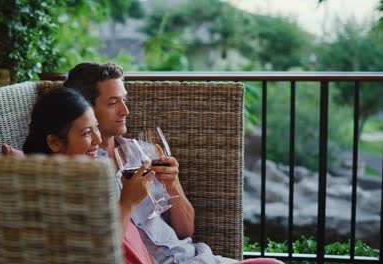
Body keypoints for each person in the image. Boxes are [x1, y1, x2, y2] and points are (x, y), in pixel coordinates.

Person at [64, 62, 284, 264]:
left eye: (124, 100)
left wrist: (173, 184)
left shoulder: (145, 153)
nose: (125, 111)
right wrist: (127, 201)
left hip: (194, 258)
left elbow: (185, 231)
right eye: (113, 103)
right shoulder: (81, 171)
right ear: (86, 109)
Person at [22, 87, 154, 264]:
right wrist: (127, 203)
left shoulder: (82, 182)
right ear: (54, 142)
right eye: (86, 133)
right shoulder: (49, 195)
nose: (98, 140)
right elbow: (97, 256)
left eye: (96, 127)